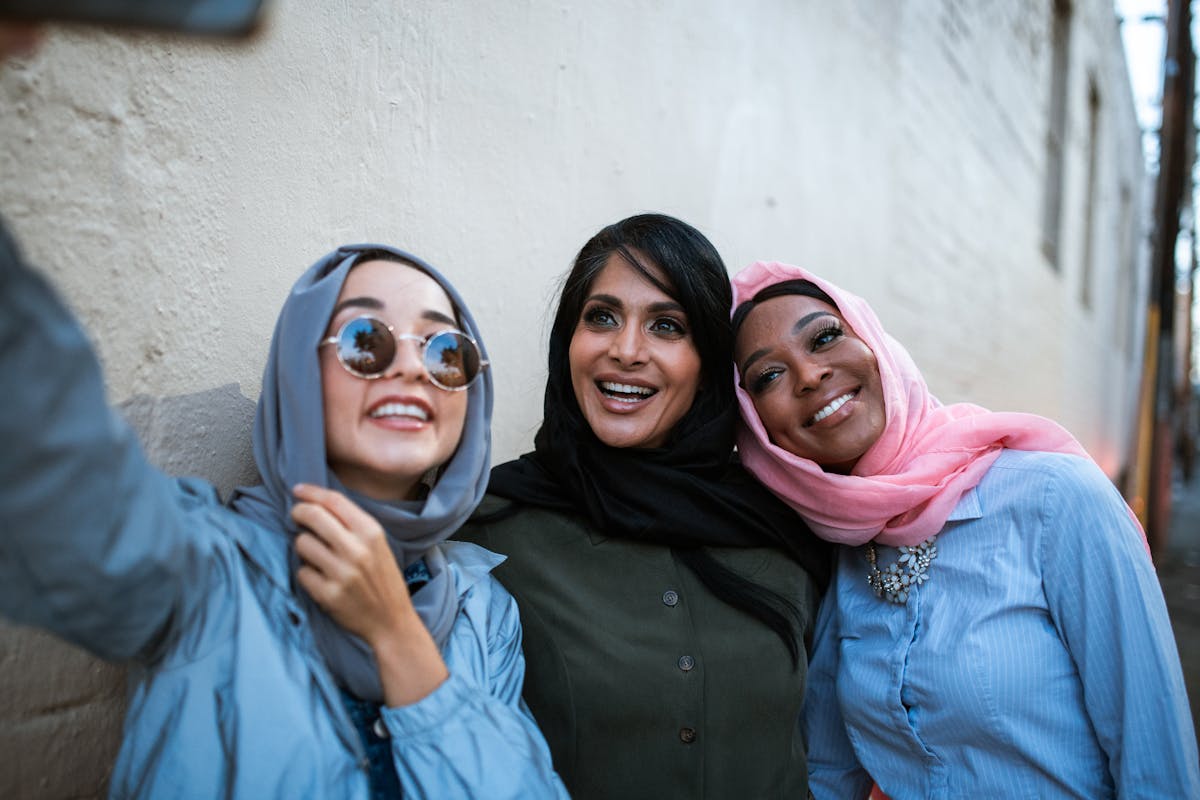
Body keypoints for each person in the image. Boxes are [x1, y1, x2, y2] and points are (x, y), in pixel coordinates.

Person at [0, 239, 568, 798]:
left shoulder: (481, 610)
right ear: (300, 372)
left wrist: (397, 635)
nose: (415, 369)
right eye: (366, 340)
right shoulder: (207, 571)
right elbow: (54, 479)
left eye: (446, 351)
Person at [730, 260, 1200, 798]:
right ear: (761, 432)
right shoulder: (843, 544)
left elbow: (1156, 768)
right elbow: (830, 776)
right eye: (768, 376)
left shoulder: (1055, 500)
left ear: (875, 345)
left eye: (825, 337)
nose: (809, 375)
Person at [455, 213, 831, 798]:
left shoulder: (784, 526)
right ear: (568, 342)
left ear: (708, 360)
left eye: (667, 325)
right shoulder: (489, 529)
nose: (627, 351)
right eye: (601, 317)